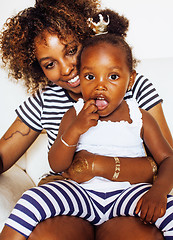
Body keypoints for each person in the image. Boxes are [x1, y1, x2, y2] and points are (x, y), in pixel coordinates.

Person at [0, 1, 171, 239]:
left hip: (126, 195)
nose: (67, 68)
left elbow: (166, 158)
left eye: (71, 51)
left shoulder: (134, 90)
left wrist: (95, 165)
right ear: (38, 69)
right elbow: (4, 154)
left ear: (86, 39)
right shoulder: (46, 101)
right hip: (72, 199)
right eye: (50, 64)